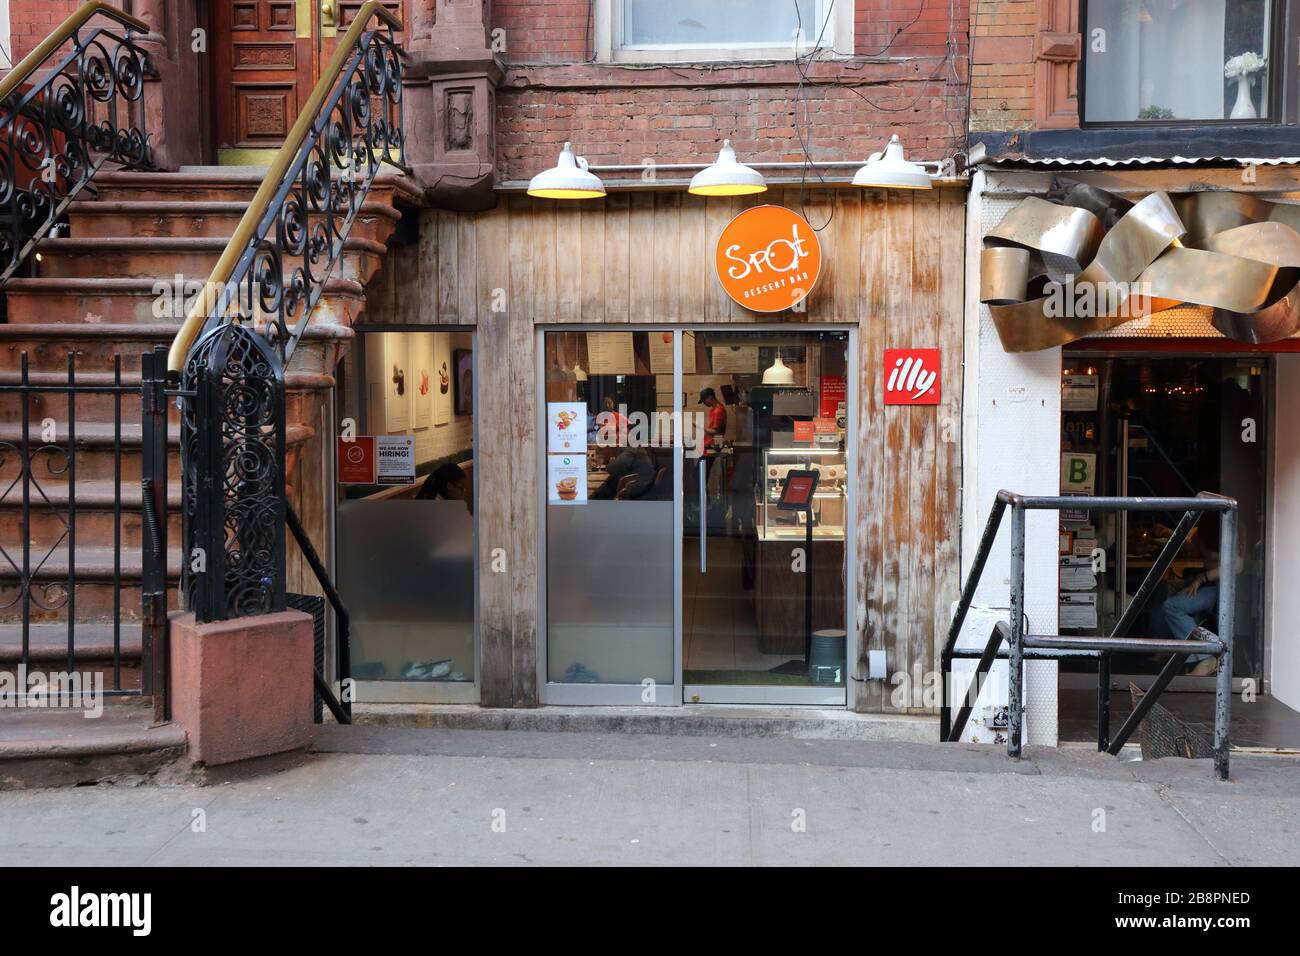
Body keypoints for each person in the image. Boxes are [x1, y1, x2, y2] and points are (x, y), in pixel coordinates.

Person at [1155, 524, 1244, 676]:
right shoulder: (1207, 527)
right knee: (1164, 592)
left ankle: (1206, 658)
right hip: (1209, 585)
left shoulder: (1230, 524)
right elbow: (1193, 549)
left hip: (1220, 589)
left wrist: (1202, 578)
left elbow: (1238, 564)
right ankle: (1170, 648)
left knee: (1172, 606)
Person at [590, 445, 655, 500]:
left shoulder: (629, 453)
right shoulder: (634, 449)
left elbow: (611, 468)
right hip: (645, 485)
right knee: (610, 481)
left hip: (640, 490)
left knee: (606, 486)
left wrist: (608, 459)